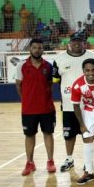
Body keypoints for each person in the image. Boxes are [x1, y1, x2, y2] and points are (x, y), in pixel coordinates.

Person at [53, 34, 94, 172]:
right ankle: (69, 159)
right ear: (69, 42)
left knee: (88, 135)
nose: (77, 43)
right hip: (69, 106)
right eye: (74, 41)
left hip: (89, 107)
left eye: (79, 41)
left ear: (84, 43)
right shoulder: (59, 59)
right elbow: (56, 80)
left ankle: (88, 162)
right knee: (69, 135)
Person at [16, 39, 56, 176]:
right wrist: (26, 100)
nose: (37, 50)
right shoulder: (21, 66)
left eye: (40, 48)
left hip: (47, 108)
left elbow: (50, 84)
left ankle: (50, 161)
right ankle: (30, 163)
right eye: (34, 47)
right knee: (29, 135)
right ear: (30, 49)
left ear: (43, 50)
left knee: (48, 134)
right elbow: (18, 85)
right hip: (28, 110)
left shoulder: (49, 66)